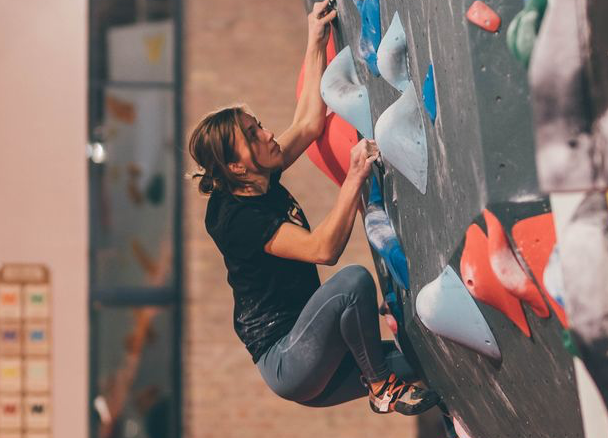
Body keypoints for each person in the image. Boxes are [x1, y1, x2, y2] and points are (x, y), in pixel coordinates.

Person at [185, 0, 439, 416]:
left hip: (320, 352)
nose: (268, 135)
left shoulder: (256, 176)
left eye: (260, 125)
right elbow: (323, 250)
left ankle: (453, 437)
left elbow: (308, 123)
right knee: (353, 282)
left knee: (429, 365)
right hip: (291, 360)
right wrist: (355, 177)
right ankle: (379, 387)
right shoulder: (238, 220)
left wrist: (314, 39)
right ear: (235, 165)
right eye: (254, 135)